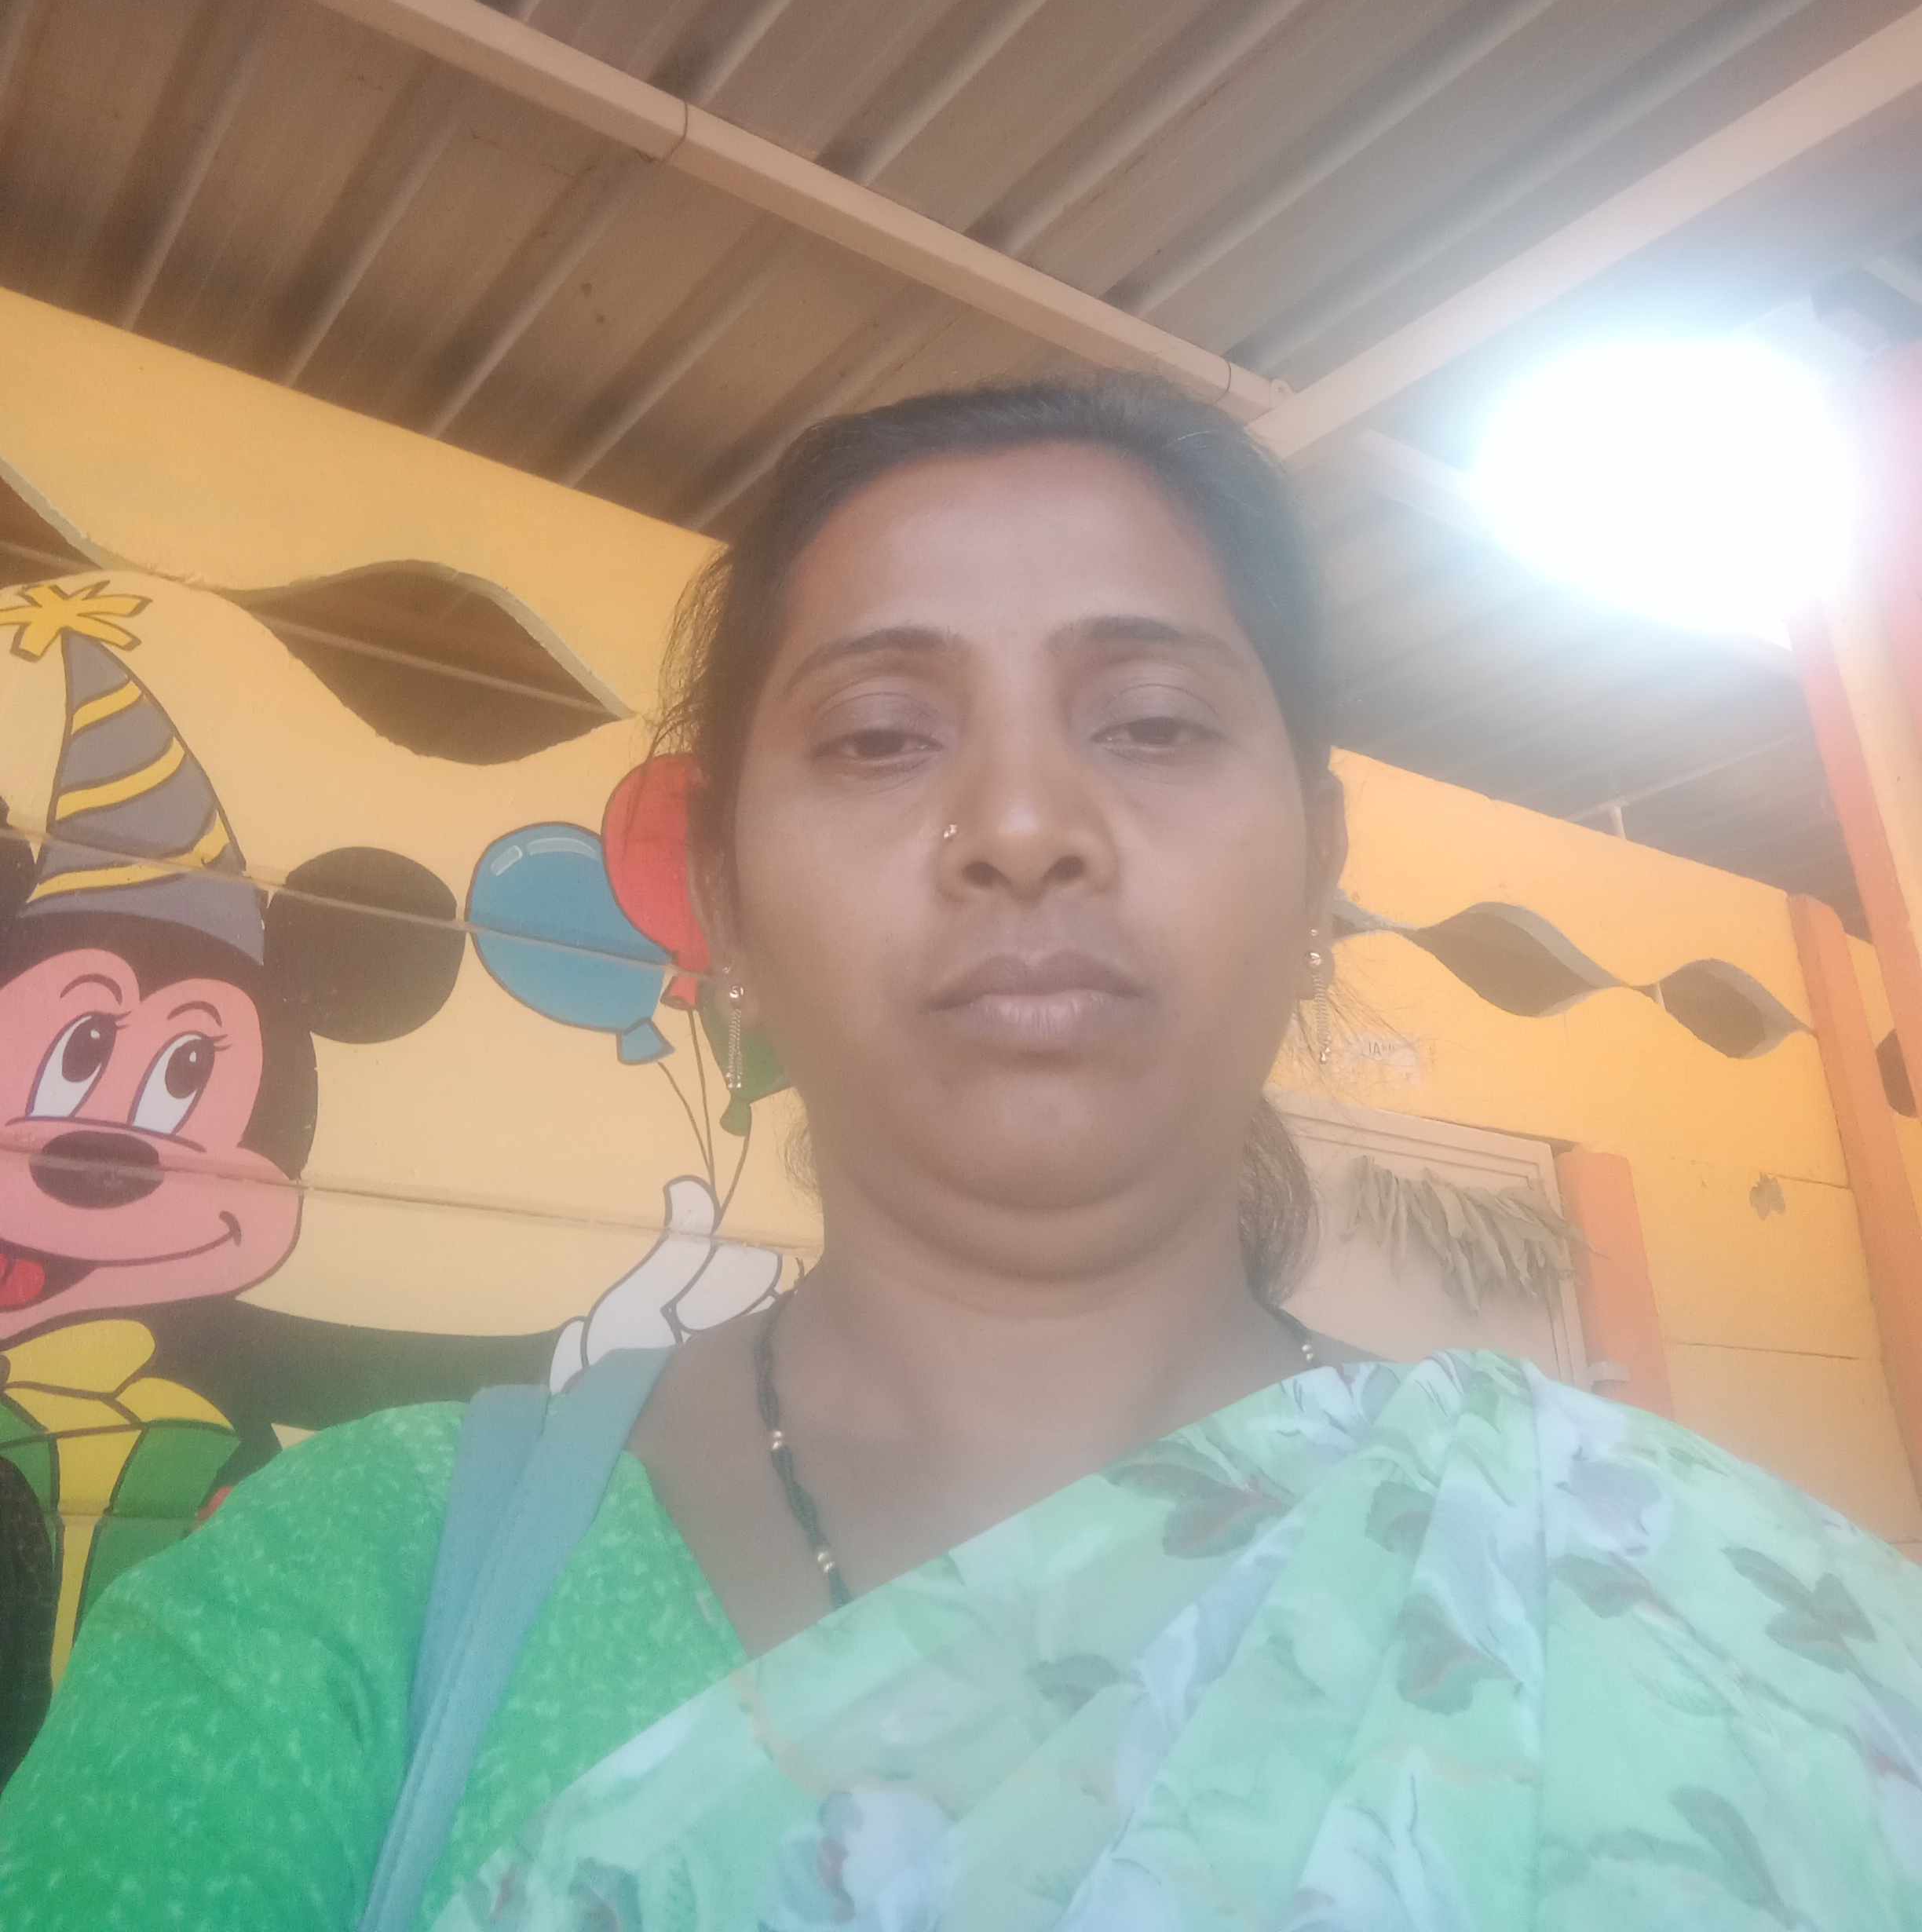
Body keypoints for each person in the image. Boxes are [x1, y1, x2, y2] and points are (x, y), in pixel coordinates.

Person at [2, 374, 1919, 1928]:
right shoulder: (350, 1600)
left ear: (1319, 870)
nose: (1021, 823)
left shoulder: (1679, 1611)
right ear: (721, 896)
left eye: (1150, 723)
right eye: (879, 738)